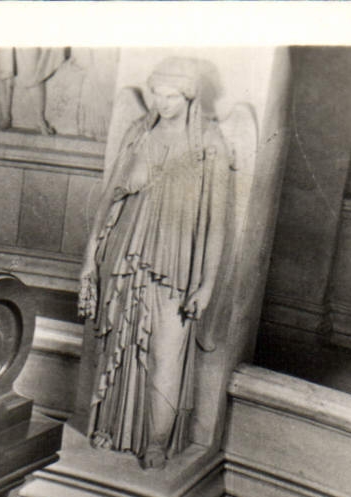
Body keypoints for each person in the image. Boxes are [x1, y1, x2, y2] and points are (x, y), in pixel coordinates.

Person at [77, 57, 231, 471]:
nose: (161, 101)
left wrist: (207, 285)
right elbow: (107, 200)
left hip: (176, 269)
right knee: (120, 345)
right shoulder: (137, 134)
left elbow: (217, 225)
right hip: (125, 258)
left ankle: (157, 442)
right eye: (157, 93)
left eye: (170, 94)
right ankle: (111, 426)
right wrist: (90, 260)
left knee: (166, 354)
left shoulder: (208, 145)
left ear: (189, 94)